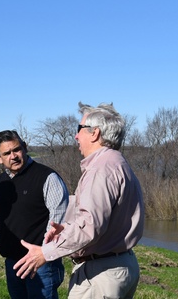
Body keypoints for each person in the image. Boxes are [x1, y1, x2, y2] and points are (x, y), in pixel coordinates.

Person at [13, 102, 145, 299]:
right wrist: (66, 229)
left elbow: (90, 225)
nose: (76, 136)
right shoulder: (117, 162)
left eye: (79, 129)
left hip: (100, 275)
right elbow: (103, 221)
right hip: (119, 266)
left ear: (95, 133)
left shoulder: (100, 169)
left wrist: (45, 253)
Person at [0, 130, 69, 299]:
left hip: (41, 264)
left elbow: (58, 221)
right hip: (13, 263)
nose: (13, 156)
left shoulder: (47, 177)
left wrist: (44, 254)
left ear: (25, 148)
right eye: (7, 153)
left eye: (17, 150)